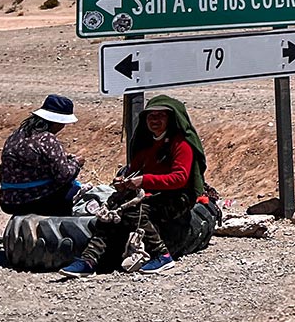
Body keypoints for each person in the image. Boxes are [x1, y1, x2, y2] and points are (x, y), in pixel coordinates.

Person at [60, 95, 208, 277]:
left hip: (178, 196)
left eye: (160, 116)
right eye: (151, 116)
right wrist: (123, 183)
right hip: (151, 194)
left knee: (134, 211)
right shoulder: (148, 145)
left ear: (170, 119)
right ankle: (89, 260)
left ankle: (162, 255)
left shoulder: (181, 145)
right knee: (112, 209)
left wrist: (143, 181)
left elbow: (180, 178)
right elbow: (134, 172)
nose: (155, 120)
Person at [0, 94, 83, 216]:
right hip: (36, 200)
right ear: (56, 122)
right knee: (75, 190)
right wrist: (76, 163)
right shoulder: (47, 139)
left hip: (9, 200)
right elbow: (63, 175)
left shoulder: (16, 135)